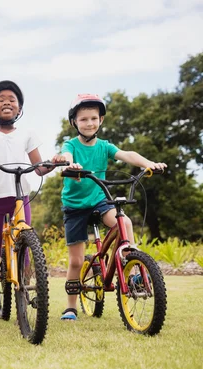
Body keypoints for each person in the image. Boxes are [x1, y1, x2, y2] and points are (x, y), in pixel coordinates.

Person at [51, 94, 166, 321]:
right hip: (74, 206)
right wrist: (70, 164)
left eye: (94, 118)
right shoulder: (71, 145)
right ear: (75, 122)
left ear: (101, 120)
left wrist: (148, 164)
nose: (89, 123)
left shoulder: (104, 146)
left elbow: (127, 155)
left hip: (100, 200)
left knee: (124, 221)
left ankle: (132, 272)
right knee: (76, 261)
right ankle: (71, 307)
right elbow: (66, 156)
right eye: (83, 119)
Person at [0, 80, 60, 327]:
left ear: (19, 109)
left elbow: (39, 168)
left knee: (25, 249)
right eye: (1, 99)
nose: (7, 102)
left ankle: (25, 295)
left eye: (12, 100)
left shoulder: (28, 134)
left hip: (20, 198)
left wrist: (52, 163)